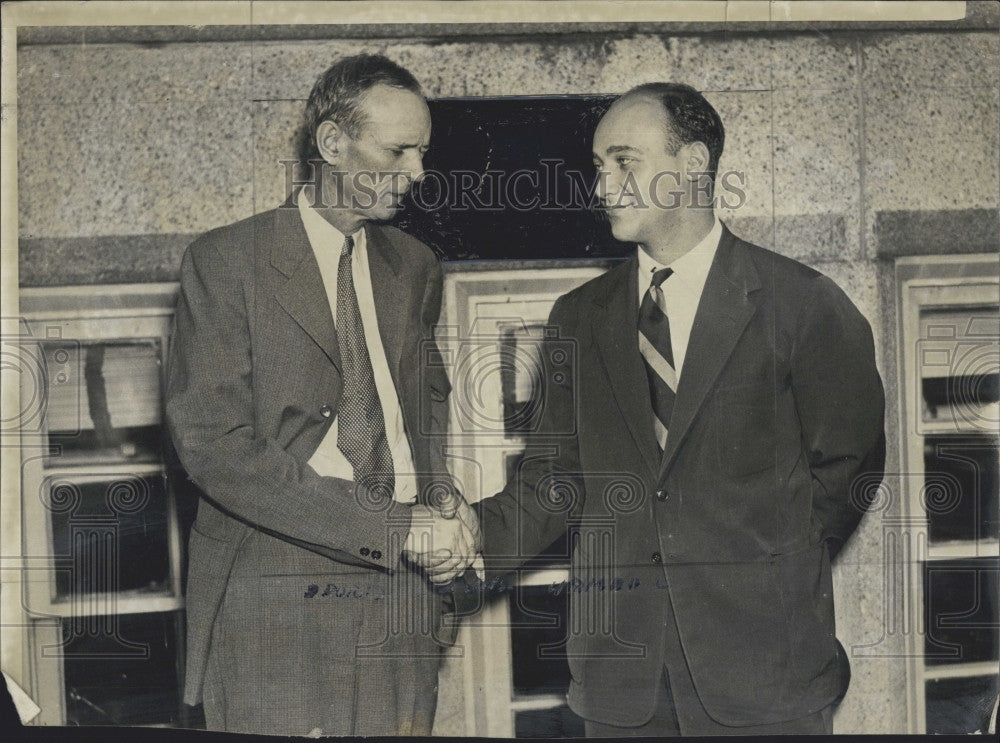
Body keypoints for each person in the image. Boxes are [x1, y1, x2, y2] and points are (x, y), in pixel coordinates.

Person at [453, 83, 886, 735]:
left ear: (692, 165)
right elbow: (552, 482)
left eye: (625, 161)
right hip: (622, 685)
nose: (603, 186)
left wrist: (771, 566)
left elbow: (849, 466)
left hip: (767, 678)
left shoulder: (803, 304)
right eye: (599, 167)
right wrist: (472, 534)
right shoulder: (578, 317)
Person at [166, 54, 479, 736]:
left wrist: (442, 500)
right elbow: (215, 447)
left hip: (403, 593)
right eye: (397, 150)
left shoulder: (416, 265)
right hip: (274, 589)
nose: (418, 174)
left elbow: (418, 414)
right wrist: (394, 528)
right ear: (333, 143)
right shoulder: (225, 262)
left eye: (422, 152)